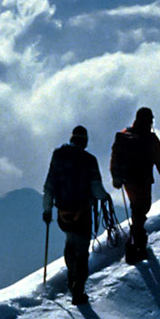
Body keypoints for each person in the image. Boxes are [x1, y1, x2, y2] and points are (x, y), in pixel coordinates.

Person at [42, 125, 111, 305]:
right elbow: (96, 189)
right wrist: (105, 197)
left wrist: (47, 209)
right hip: (82, 214)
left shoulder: (58, 156)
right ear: (85, 141)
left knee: (70, 242)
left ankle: (72, 278)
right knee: (81, 252)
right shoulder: (89, 160)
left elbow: (49, 184)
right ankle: (77, 290)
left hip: (62, 214)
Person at [110, 106, 160, 264]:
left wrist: (116, 178)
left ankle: (136, 244)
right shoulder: (151, 139)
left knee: (136, 208)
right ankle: (136, 245)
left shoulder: (124, 135)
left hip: (128, 182)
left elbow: (115, 157)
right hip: (143, 181)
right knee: (141, 210)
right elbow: (159, 160)